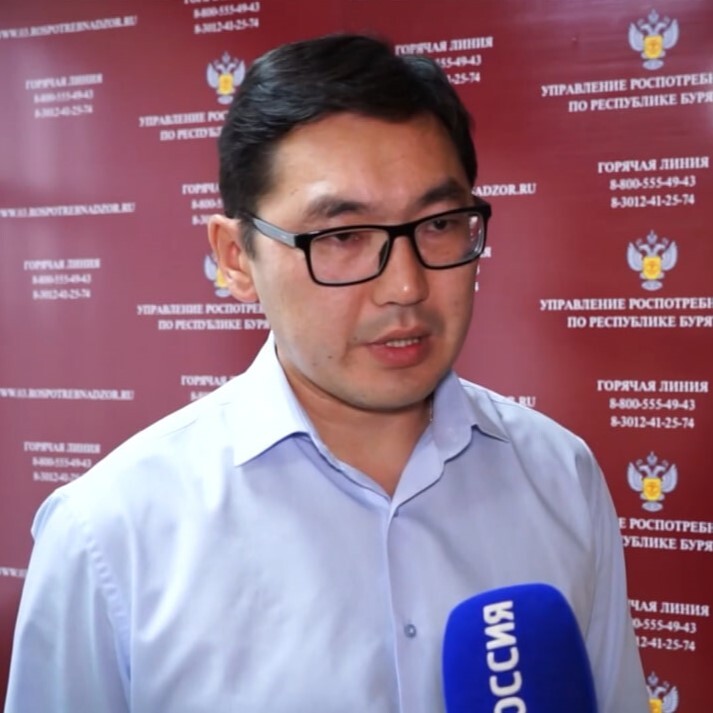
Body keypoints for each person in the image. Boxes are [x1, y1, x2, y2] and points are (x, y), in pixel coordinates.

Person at [4, 33, 648, 712]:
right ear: (235, 258)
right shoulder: (110, 534)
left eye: (438, 225)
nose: (405, 286)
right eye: (342, 237)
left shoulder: (559, 476)